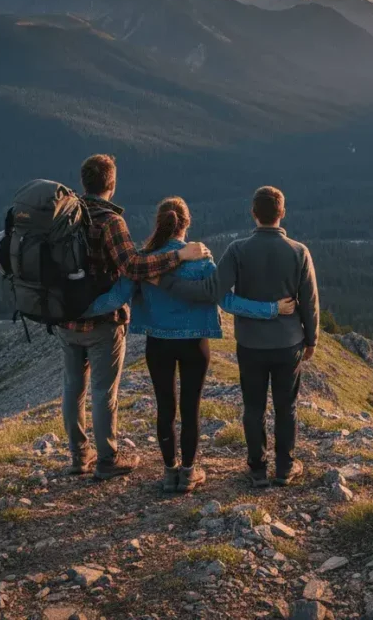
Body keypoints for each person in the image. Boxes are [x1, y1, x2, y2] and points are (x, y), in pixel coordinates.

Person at [87, 197, 296, 493]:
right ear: (187, 224)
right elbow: (227, 300)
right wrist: (272, 310)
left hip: (157, 343)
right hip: (194, 344)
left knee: (165, 408)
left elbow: (114, 299)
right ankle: (188, 473)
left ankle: (169, 472)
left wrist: (74, 311)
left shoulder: (144, 261)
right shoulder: (201, 259)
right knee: (190, 409)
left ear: (159, 224)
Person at [56, 154, 209, 481]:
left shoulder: (65, 217)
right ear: (111, 184)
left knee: (72, 388)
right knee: (102, 393)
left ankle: (77, 456)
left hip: (66, 320)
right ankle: (107, 460)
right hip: (101, 323)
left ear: (85, 182)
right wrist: (179, 256)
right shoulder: (110, 222)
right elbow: (133, 268)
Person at [162, 186, 319, 487]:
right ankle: (285, 467)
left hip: (250, 344)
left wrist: (169, 285)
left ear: (253, 214)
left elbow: (212, 290)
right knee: (287, 406)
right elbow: (310, 302)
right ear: (282, 213)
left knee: (254, 406)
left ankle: (257, 468)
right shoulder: (299, 251)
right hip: (288, 343)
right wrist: (311, 340)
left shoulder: (237, 250)